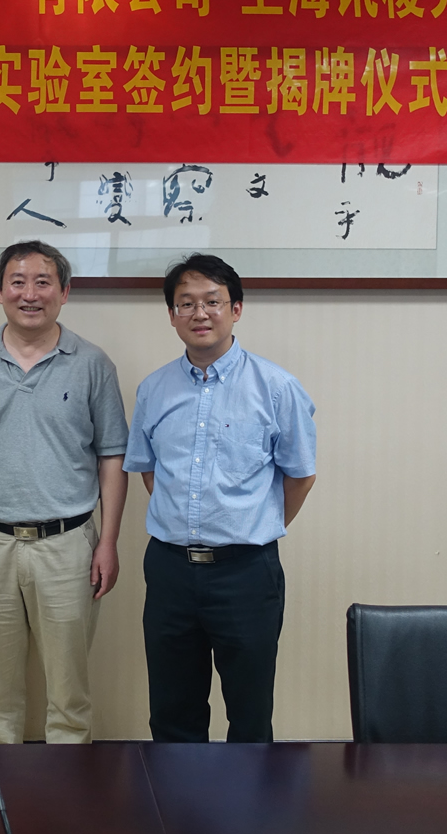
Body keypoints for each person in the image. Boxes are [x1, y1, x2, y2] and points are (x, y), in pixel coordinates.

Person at [123, 254, 316, 743]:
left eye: (212, 301)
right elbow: (149, 470)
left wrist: (250, 523)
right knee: (173, 713)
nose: (200, 313)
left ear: (236, 309)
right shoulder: (153, 389)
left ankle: (246, 798)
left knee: (249, 715)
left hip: (246, 572)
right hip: (170, 570)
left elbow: (300, 476)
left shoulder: (276, 388)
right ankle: (178, 795)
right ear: (172, 315)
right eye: (186, 303)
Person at [0, 240, 129, 744]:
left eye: (43, 282)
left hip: (68, 546)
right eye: (18, 282)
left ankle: (66, 784)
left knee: (69, 693)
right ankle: (1, 782)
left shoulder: (92, 364)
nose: (30, 294)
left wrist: (108, 541)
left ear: (64, 292)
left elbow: (112, 456)